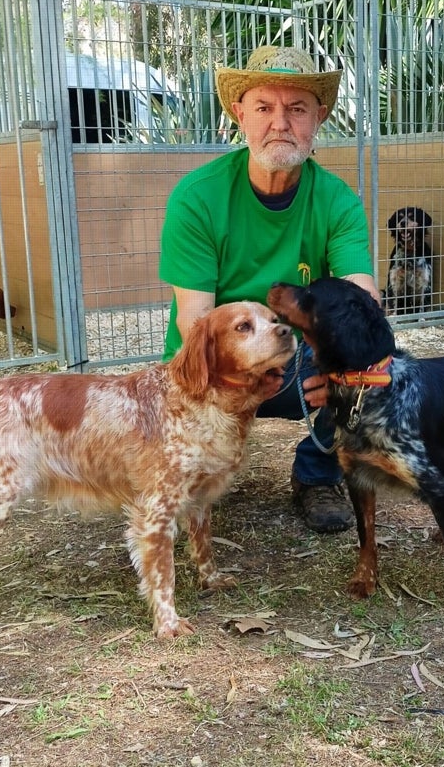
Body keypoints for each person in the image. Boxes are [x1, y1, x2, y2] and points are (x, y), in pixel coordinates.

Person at [159, 45, 380, 533]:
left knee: (365, 365)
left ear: (318, 118)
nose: (280, 122)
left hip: (291, 360)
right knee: (180, 486)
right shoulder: (197, 198)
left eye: (297, 108)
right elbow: (193, 322)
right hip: (213, 364)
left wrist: (343, 367)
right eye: (264, 107)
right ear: (240, 114)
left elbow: (363, 305)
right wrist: (251, 366)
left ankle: (317, 474)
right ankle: (192, 472)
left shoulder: (338, 202)